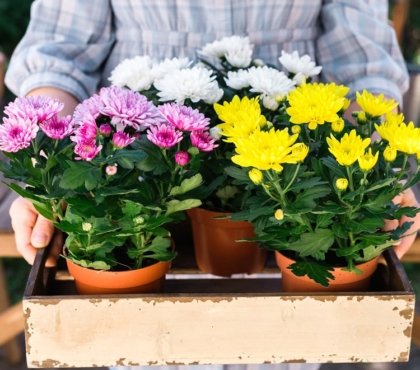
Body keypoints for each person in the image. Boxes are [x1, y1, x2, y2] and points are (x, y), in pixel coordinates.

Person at [3, 1, 420, 370]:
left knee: (287, 340)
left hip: (288, 142)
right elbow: (59, 55)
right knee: (144, 341)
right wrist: (47, 167)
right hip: (136, 151)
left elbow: (363, 67)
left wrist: (379, 170)